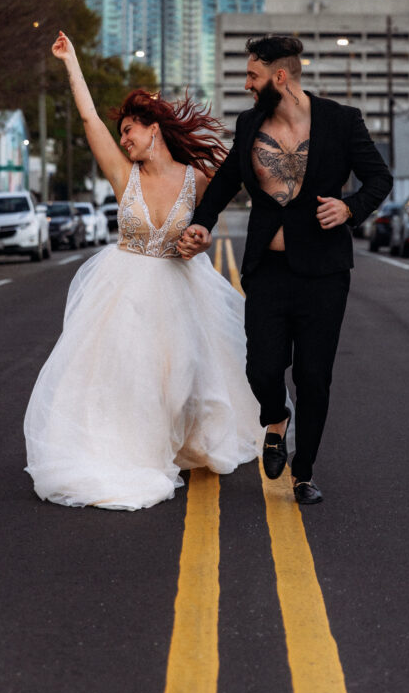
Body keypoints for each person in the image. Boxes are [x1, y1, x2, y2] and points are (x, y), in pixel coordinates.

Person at [24, 32, 263, 511]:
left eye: (129, 129)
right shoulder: (121, 173)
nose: (123, 139)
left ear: (153, 127)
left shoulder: (199, 178)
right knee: (123, 374)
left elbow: (213, 216)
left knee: (180, 375)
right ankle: (128, 451)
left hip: (180, 290)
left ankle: (177, 443)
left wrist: (202, 236)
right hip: (123, 288)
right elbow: (89, 118)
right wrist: (71, 62)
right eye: (121, 134)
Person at [178, 35, 393, 505]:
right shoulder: (251, 123)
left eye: (253, 75)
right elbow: (227, 180)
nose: (247, 84)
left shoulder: (341, 121)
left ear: (280, 77)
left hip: (324, 273)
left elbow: (380, 178)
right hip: (268, 271)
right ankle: (276, 419)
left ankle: (304, 474)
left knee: (315, 377)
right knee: (262, 367)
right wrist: (201, 223)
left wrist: (350, 209)